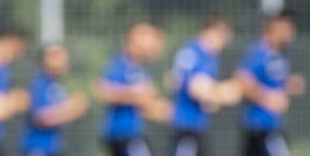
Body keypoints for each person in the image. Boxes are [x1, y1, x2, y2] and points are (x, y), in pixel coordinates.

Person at [169, 13, 241, 156]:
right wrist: (222, 93)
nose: (225, 42)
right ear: (212, 31)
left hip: (200, 126)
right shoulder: (192, 53)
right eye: (223, 36)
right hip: (187, 126)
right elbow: (195, 88)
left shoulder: (211, 57)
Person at [94, 22, 170, 156]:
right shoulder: (121, 65)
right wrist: (134, 94)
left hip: (132, 133)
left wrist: (159, 109)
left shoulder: (141, 69)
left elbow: (142, 104)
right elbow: (103, 91)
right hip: (120, 133)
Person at [235, 9, 305, 156]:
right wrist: (268, 99)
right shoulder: (260, 52)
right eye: (286, 25)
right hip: (260, 126)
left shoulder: (280, 54)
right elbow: (242, 80)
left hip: (271, 125)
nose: (291, 30)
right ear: (274, 26)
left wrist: (289, 84)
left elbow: (272, 81)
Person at [20, 44, 88, 156]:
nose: (65, 61)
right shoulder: (40, 84)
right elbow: (41, 118)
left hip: (53, 147)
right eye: (59, 57)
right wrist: (71, 110)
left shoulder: (57, 85)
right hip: (37, 147)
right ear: (47, 59)